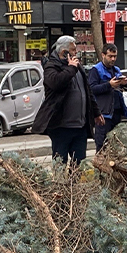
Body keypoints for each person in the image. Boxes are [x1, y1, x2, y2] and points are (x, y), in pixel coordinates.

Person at [31, 35, 103, 165]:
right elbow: (56, 83)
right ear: (64, 52)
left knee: (79, 163)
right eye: (73, 50)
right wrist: (71, 68)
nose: (76, 53)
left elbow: (87, 91)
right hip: (61, 126)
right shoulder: (51, 66)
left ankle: (74, 185)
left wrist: (96, 113)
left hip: (80, 126)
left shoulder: (77, 67)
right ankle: (60, 186)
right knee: (60, 163)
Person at [87, 43, 127, 152]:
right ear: (103, 55)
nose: (113, 59)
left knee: (115, 146)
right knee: (102, 147)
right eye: (110, 56)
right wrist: (109, 85)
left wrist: (124, 83)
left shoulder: (116, 70)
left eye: (115, 56)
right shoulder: (95, 70)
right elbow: (91, 89)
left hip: (116, 112)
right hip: (103, 114)